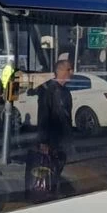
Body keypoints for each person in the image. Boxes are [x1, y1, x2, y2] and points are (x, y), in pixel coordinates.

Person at [32, 59, 74, 200]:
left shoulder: (65, 91)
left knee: (58, 164)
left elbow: (67, 114)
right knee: (50, 165)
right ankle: (48, 191)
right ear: (60, 71)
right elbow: (43, 116)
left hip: (62, 136)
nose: (71, 72)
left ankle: (53, 189)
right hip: (52, 137)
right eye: (68, 69)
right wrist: (43, 141)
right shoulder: (49, 91)